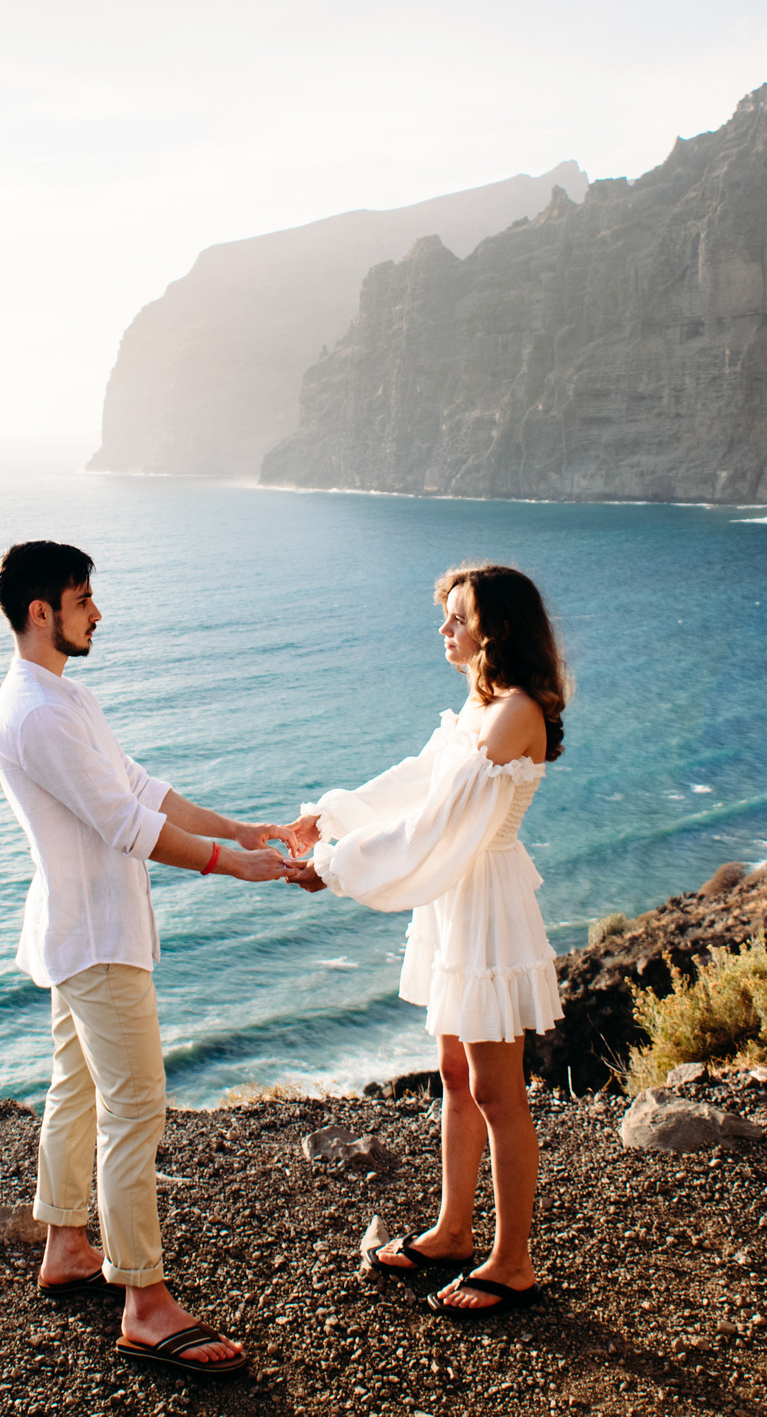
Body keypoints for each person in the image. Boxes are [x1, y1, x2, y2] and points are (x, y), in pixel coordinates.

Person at [0, 540, 310, 1377]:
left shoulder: (61, 697)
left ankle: (64, 1242)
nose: (98, 612)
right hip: (96, 940)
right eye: (84, 598)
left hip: (76, 930)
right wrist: (228, 864)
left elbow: (140, 786)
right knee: (136, 1109)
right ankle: (145, 1300)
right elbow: (122, 823)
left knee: (78, 1087)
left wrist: (239, 828)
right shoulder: (39, 712)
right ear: (41, 613)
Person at [279, 562, 568, 1315]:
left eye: (457, 617)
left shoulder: (514, 712)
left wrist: (335, 866)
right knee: (454, 1073)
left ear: (495, 628)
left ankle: (513, 1262)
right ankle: (452, 1231)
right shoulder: (481, 705)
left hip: (485, 903)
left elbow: (436, 824)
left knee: (501, 1092)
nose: (444, 629)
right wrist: (331, 816)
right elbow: (418, 781)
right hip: (455, 897)